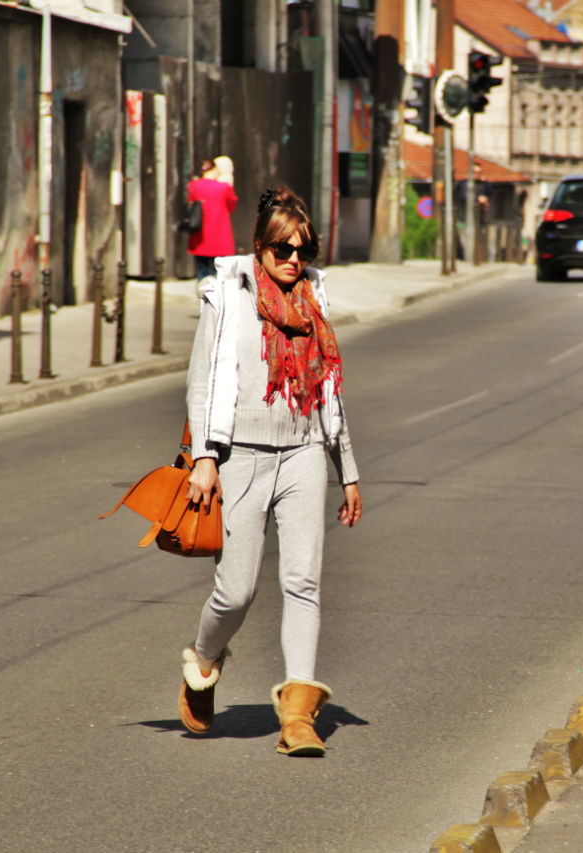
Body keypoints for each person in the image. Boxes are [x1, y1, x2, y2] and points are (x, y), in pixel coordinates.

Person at [179, 185, 364, 753]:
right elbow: (205, 382)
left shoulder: (314, 300)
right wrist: (205, 459)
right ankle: (204, 662)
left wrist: (347, 468)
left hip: (304, 454)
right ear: (258, 247)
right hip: (240, 458)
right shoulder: (228, 297)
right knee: (236, 593)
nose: (291, 260)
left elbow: (328, 387)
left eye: (301, 250)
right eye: (281, 248)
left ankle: (298, 719)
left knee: (303, 582)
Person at [186, 156, 238, 280]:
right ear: (214, 170)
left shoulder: (193, 186)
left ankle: (203, 297)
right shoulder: (224, 188)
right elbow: (232, 206)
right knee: (219, 275)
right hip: (220, 238)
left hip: (200, 237)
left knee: (202, 274)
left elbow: (190, 202)